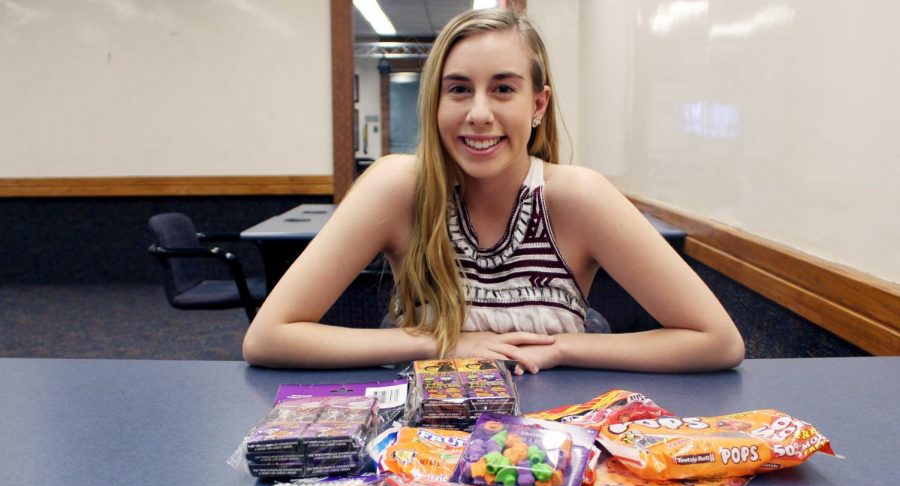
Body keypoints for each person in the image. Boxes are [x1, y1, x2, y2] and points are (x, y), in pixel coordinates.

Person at [243, 8, 744, 374]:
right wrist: (440, 344)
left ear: (538, 104)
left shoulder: (578, 197)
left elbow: (717, 342)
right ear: (436, 102)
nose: (478, 112)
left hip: (551, 443)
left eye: (503, 88)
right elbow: (268, 338)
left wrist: (566, 348)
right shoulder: (399, 188)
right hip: (422, 443)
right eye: (459, 89)